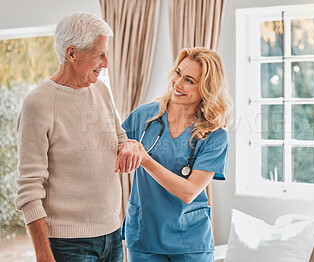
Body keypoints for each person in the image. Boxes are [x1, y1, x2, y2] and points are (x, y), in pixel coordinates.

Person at [15, 12, 133, 262]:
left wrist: (129, 147)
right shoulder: (39, 103)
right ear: (71, 54)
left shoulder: (100, 89)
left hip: (112, 234)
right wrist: (43, 254)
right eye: (99, 54)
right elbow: (29, 188)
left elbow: (121, 139)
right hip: (68, 244)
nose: (106, 62)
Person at [116, 47, 232, 261]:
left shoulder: (215, 136)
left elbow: (189, 192)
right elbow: (112, 151)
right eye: (178, 73)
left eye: (189, 80)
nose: (177, 84)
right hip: (144, 237)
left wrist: (145, 159)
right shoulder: (144, 116)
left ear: (206, 89)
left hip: (190, 241)